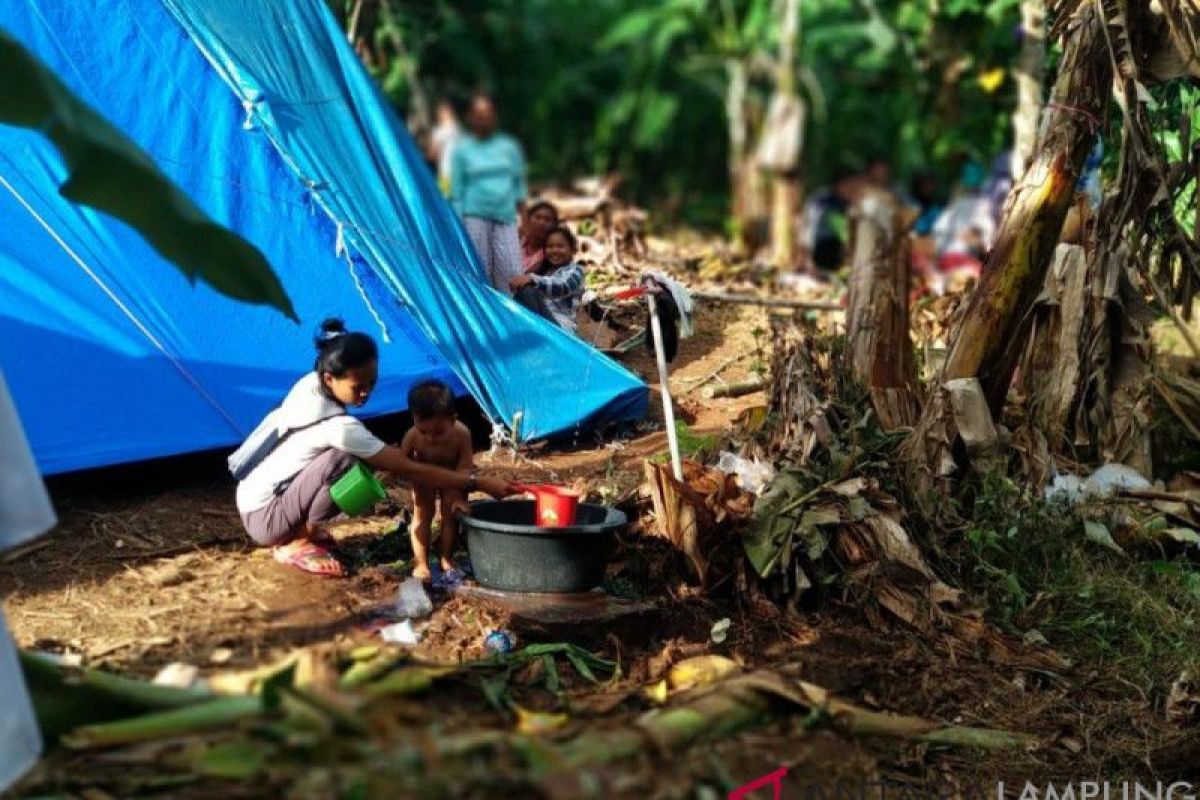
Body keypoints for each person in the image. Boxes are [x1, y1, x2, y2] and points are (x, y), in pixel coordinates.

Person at [234, 318, 514, 576]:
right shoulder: (340, 428)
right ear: (330, 378)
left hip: (252, 496)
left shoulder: (310, 384)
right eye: (358, 387)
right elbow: (407, 466)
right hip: (264, 517)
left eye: (372, 383)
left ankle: (300, 530)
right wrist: (478, 481)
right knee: (346, 461)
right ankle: (295, 542)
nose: (366, 393)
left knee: (351, 458)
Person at [451, 94, 528, 292]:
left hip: (505, 215)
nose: (482, 118)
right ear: (469, 117)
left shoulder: (509, 147)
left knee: (511, 270)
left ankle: (510, 316)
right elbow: (457, 192)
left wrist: (525, 220)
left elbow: (519, 185)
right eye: (477, 114)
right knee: (479, 269)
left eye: (486, 114)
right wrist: (458, 226)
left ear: (495, 116)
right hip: (474, 216)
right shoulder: (461, 151)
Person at [398, 380, 473, 582]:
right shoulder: (412, 435)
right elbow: (400, 460)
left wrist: (459, 495)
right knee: (422, 516)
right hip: (424, 478)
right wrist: (389, 472)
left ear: (453, 419)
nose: (430, 438)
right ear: (414, 419)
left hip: (453, 479)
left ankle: (446, 558)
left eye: (439, 433)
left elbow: (466, 465)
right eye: (424, 431)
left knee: (449, 517)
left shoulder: (462, 434)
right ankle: (421, 562)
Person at [509, 226, 585, 333]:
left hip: (560, 330)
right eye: (550, 247)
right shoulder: (544, 272)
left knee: (527, 292)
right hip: (543, 323)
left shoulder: (575, 271)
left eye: (560, 246)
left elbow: (562, 286)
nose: (554, 251)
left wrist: (532, 278)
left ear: (572, 249)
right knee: (521, 294)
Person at [428, 99, 460, 196]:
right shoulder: (458, 130)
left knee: (444, 202)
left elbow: (432, 155)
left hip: (445, 173)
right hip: (458, 173)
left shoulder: (439, 131)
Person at [520, 200, 559, 273]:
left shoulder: (553, 254)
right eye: (537, 217)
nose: (541, 223)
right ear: (528, 220)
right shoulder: (516, 241)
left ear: (554, 226)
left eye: (547, 219)